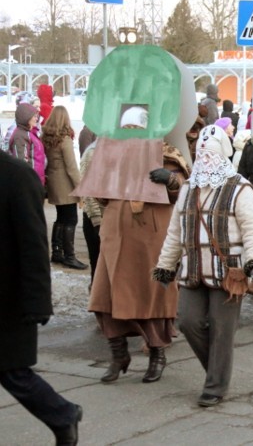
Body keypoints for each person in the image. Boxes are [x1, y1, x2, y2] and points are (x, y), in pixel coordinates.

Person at [153, 124, 253, 407]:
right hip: (193, 269)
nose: (205, 157)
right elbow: (175, 231)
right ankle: (217, 372)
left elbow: (252, 228)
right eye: (201, 152)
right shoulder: (188, 188)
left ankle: (215, 385)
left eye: (211, 152)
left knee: (221, 329)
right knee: (188, 321)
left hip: (229, 273)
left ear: (223, 154)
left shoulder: (240, 188)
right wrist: (166, 265)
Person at [88, 106, 191, 384]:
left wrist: (170, 179)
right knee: (105, 297)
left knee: (151, 297)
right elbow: (98, 194)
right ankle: (118, 354)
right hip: (115, 236)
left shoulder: (165, 153)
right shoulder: (111, 155)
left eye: (136, 130)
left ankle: (157, 353)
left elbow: (184, 186)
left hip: (149, 237)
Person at [0, 150, 83, 446]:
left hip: (8, 298)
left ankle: (62, 414)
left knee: (13, 371)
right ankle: (62, 414)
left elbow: (34, 245)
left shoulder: (17, 176)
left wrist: (37, 302)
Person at [41, 105, 88, 270]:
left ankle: (56, 252)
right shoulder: (65, 139)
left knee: (61, 218)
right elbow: (71, 167)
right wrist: (80, 187)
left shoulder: (47, 138)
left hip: (54, 181)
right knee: (71, 219)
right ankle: (69, 256)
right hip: (65, 185)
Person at [80, 138, 104, 288]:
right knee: (97, 264)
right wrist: (97, 220)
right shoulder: (93, 151)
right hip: (96, 219)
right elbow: (87, 189)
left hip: (113, 219)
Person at [8, 102, 46, 185]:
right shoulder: (20, 136)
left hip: (35, 182)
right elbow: (21, 165)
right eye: (34, 116)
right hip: (29, 183)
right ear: (26, 118)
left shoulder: (30, 133)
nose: (36, 119)